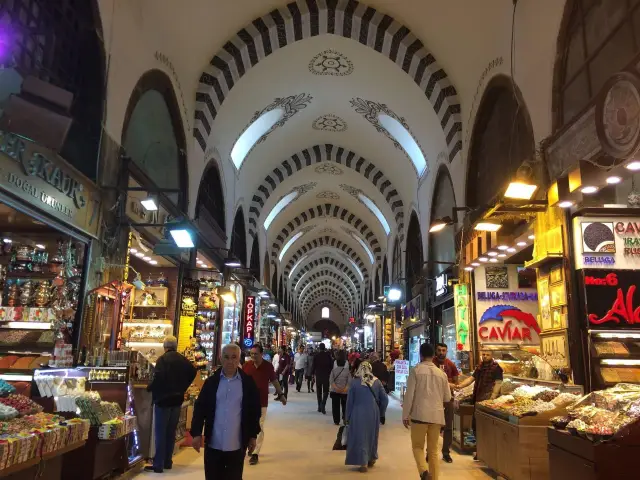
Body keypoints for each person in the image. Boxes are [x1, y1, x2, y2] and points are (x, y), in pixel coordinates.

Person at [191, 343, 261, 480]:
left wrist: (253, 435)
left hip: (236, 445)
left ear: (239, 359)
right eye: (226, 357)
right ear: (220, 359)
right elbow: (200, 408)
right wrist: (196, 433)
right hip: (213, 445)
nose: (230, 361)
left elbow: (254, 411)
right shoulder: (211, 383)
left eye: (234, 357)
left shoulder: (247, 383)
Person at [144, 336, 197, 473]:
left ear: (164, 346)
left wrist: (150, 388)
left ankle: (158, 464)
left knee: (160, 432)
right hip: (177, 400)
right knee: (170, 432)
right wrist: (183, 387)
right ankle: (168, 461)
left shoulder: (163, 360)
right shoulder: (182, 359)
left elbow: (158, 378)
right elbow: (193, 371)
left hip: (163, 400)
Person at [402, 343, 451, 480]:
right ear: (433, 355)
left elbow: (409, 395)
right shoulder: (442, 374)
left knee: (417, 447)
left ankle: (424, 472)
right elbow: (447, 397)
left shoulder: (416, 371)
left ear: (421, 355)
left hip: (419, 415)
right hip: (436, 416)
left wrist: (405, 414)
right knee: (433, 451)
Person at [243, 343, 287, 465]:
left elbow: (274, 381)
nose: (253, 356)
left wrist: (281, 395)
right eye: (251, 354)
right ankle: (250, 446)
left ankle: (255, 453)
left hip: (261, 401)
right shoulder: (246, 366)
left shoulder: (268, 367)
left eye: (255, 354)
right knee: (246, 425)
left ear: (261, 354)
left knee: (259, 426)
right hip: (247, 402)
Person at [456, 349, 504, 461]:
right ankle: (480, 450)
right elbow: (471, 379)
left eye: (487, 354)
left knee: (486, 428)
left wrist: (493, 397)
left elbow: (498, 383)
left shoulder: (496, 368)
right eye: (483, 354)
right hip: (478, 400)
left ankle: (488, 453)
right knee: (476, 426)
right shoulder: (480, 367)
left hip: (488, 402)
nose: (485, 356)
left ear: (491, 356)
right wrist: (460, 386)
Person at [345, 361, 389, 473]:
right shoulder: (377, 382)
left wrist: (347, 416)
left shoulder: (355, 383)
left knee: (360, 436)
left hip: (357, 412)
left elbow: (349, 401)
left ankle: (363, 462)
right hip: (373, 412)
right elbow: (385, 399)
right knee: (372, 435)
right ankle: (372, 458)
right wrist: (381, 412)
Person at [432, 343, 459, 464]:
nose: (441, 352)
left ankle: (446, 453)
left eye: (443, 350)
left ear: (446, 351)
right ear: (435, 351)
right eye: (439, 350)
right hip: (434, 399)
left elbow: (456, 383)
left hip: (448, 400)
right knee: (433, 427)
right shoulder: (431, 364)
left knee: (448, 427)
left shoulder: (451, 365)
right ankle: (430, 452)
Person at [329, 350, 350, 425]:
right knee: (345, 406)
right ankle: (345, 418)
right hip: (345, 391)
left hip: (335, 391)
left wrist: (336, 388)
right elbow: (349, 380)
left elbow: (331, 380)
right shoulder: (347, 367)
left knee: (335, 406)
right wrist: (345, 388)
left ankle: (336, 420)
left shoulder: (334, 368)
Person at [312, 343, 333, 414]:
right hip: (326, 376)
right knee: (326, 391)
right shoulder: (328, 356)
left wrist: (312, 375)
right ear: (324, 348)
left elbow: (313, 366)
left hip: (318, 376)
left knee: (319, 391)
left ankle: (319, 406)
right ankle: (323, 404)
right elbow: (331, 366)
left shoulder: (316, 356)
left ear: (319, 348)